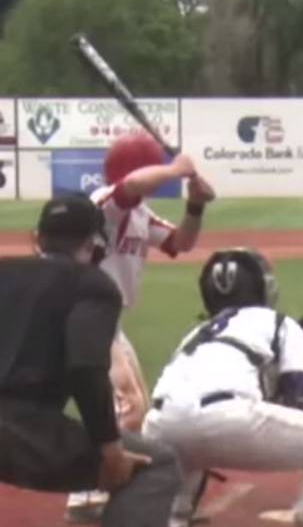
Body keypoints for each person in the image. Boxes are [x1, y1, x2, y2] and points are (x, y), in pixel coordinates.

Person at [142, 248, 303, 527]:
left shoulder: (197, 332)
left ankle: (174, 517)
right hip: (226, 419)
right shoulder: (279, 323)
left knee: (188, 454)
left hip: (158, 426)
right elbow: (298, 396)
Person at [0, 194, 182, 527]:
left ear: (37, 237)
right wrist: (110, 448)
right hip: (23, 430)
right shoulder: (93, 284)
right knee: (155, 464)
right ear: (95, 244)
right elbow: (85, 366)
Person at [67, 134, 216, 522]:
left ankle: (103, 489)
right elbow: (131, 185)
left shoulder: (137, 215)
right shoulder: (108, 204)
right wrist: (176, 169)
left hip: (108, 320)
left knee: (138, 409)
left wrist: (195, 204)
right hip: (84, 314)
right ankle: (85, 495)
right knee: (127, 406)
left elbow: (181, 242)